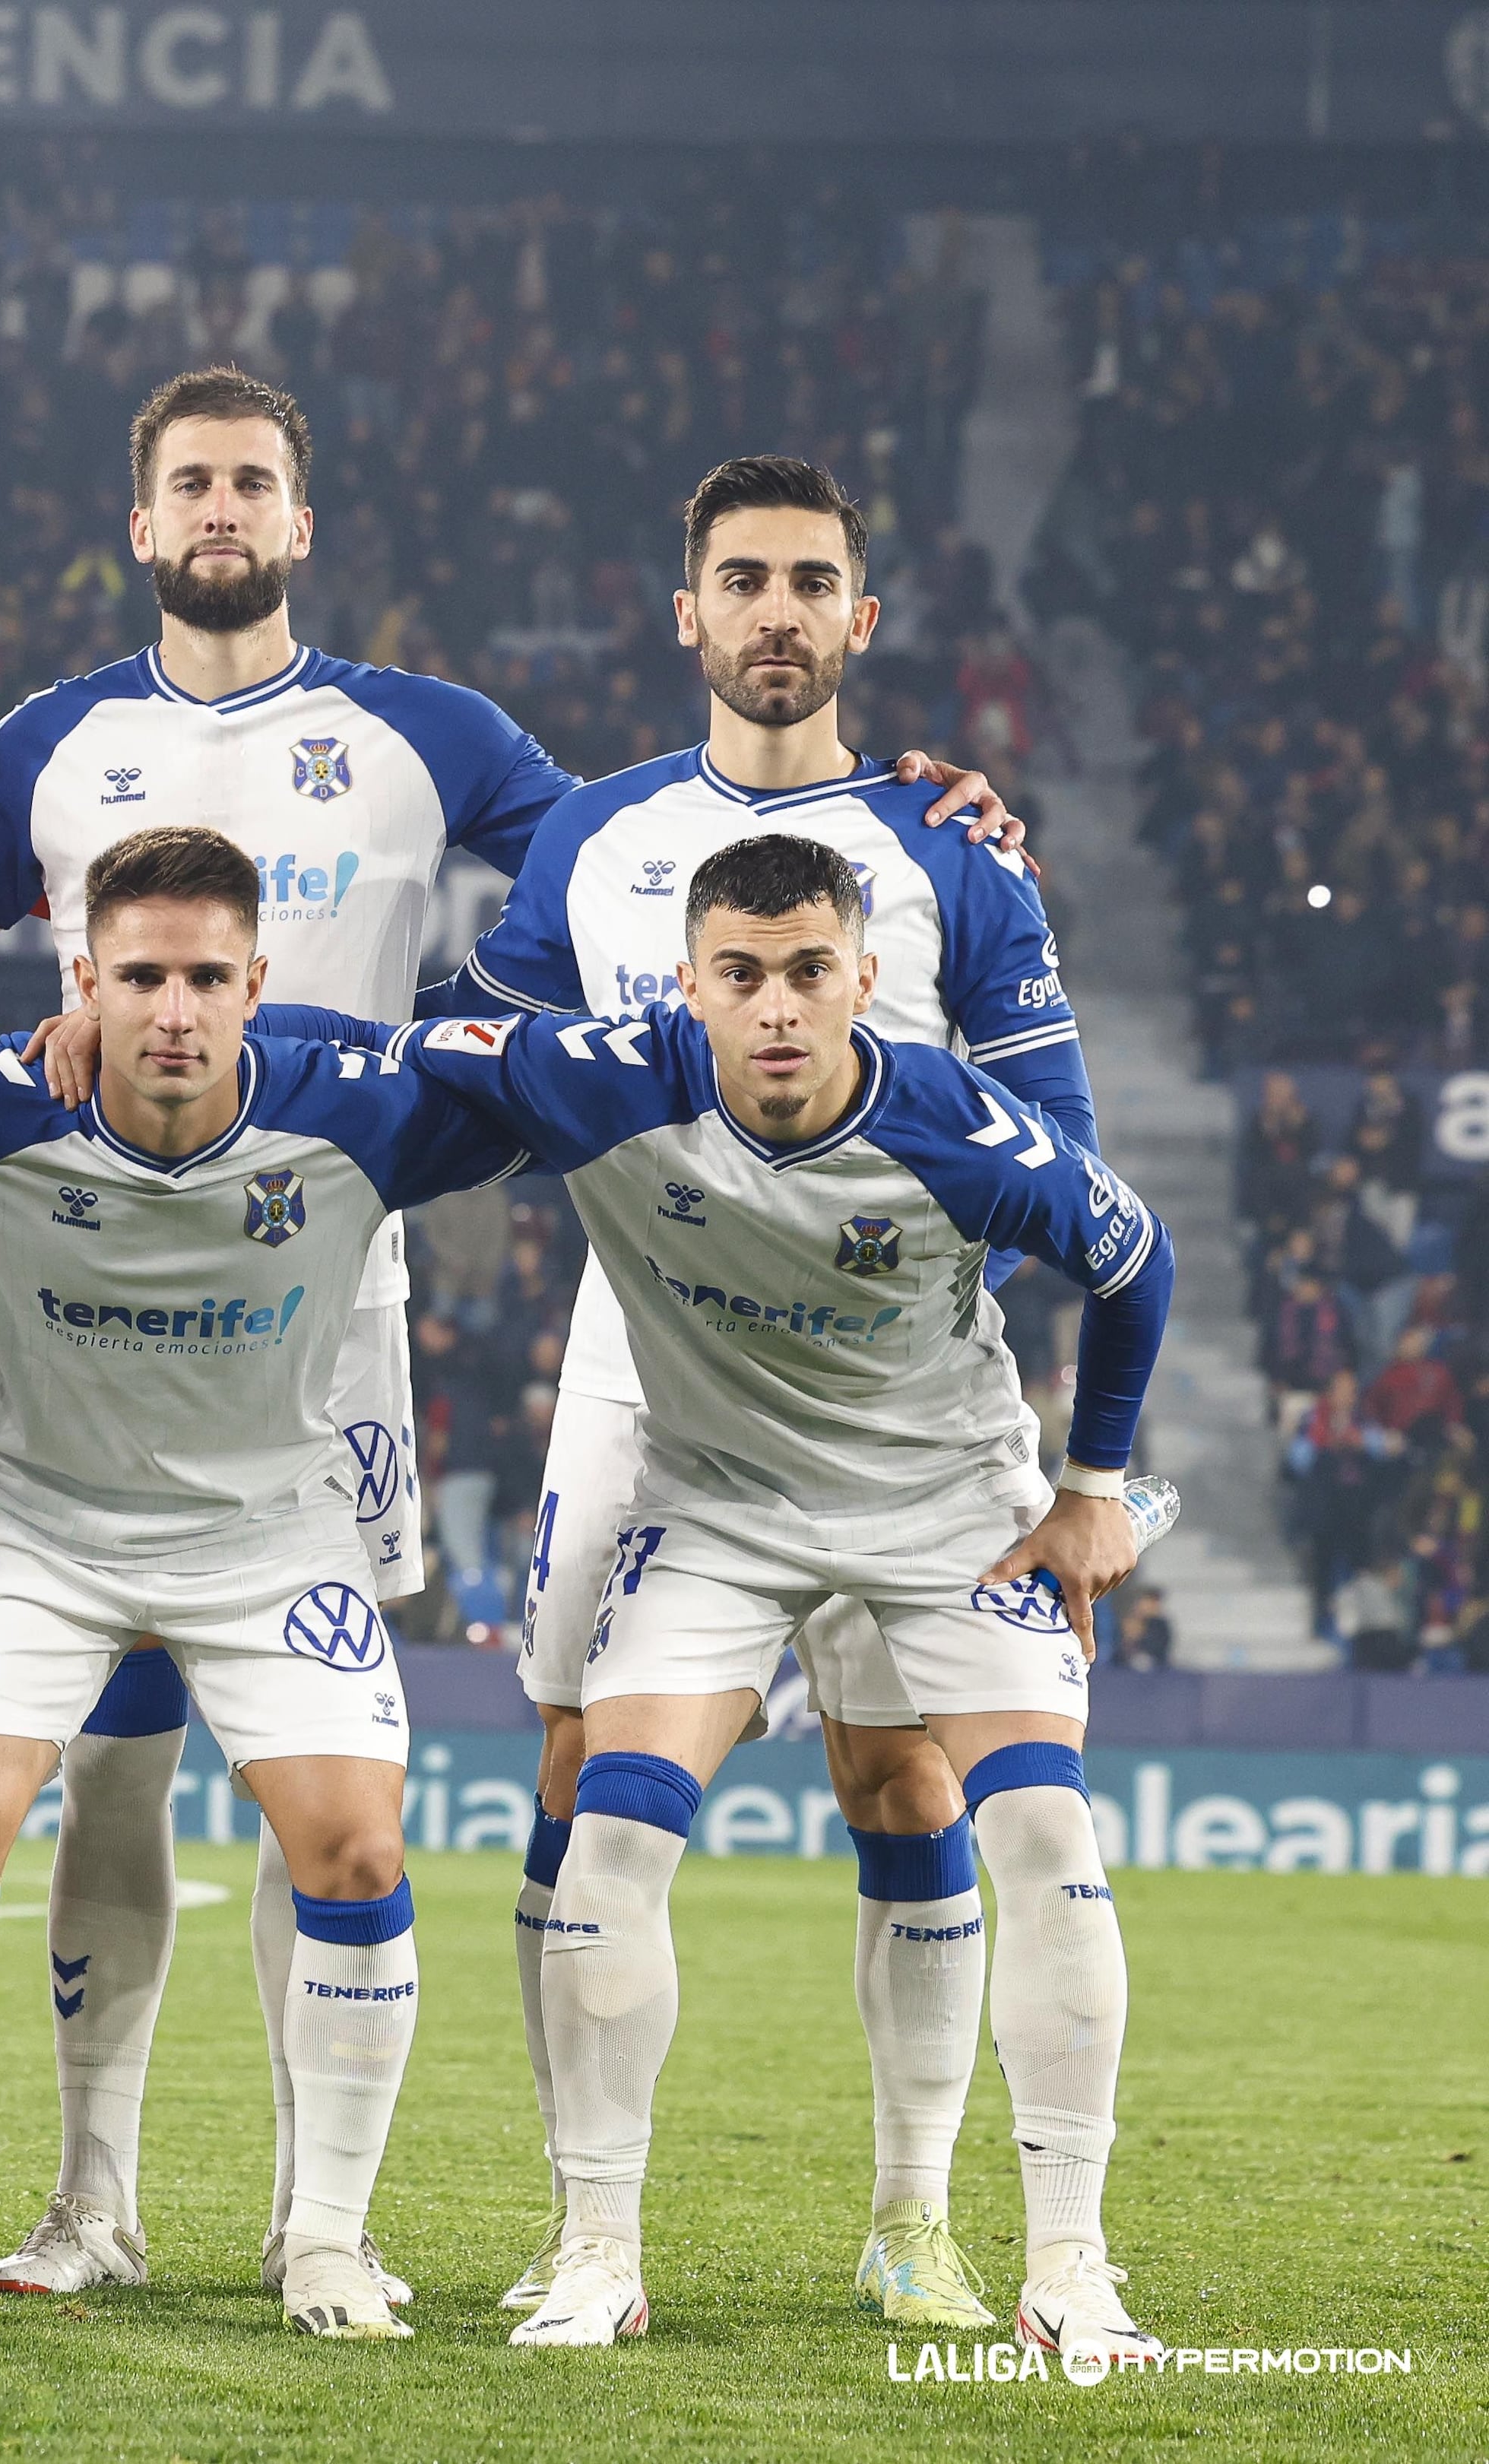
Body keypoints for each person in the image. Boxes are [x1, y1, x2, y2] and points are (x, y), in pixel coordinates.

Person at [0, 368, 1016, 2304]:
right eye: (189, 483)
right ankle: (93, 2196)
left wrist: (909, 803)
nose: (222, 507)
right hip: (95, 1289)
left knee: (311, 1774)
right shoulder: (52, 745)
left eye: (255, 478)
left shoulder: (436, 740)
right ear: (138, 520)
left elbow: (670, 858)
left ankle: (306, 2213)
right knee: (115, 1767)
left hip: (334, 1301)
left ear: (300, 520)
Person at [301, 831, 1172, 2366]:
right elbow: (377, 1044)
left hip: (945, 1510)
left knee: (1037, 1824)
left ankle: (1068, 2268)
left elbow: (1136, 1259)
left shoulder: (964, 1127)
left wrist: (1094, 1483)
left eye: (808, 974)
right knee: (612, 1823)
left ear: (865, 981)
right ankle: (596, 2250)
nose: (776, 1008)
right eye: (742, 976)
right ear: (687, 985)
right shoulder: (602, 1074)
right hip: (714, 1505)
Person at [413, 455, 1096, 2321]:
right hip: (650, 1367)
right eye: (743, 580)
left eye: (811, 582)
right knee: (579, 1764)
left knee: (900, 1774)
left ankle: (910, 2217)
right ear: (686, 612)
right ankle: (586, 2227)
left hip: (888, 1385)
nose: (776, 612)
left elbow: (1063, 1141)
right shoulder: (597, 836)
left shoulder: (956, 844)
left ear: (858, 620)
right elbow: (471, 1079)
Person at [0, 826, 537, 2336]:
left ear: (257, 982)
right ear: (83, 978)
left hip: (268, 1534)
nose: (176, 1010)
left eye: (207, 977)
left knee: (354, 1852)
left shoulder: (354, 1099)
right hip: (45, 1526)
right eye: (141, 977)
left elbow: (551, 1086)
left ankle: (322, 2235)